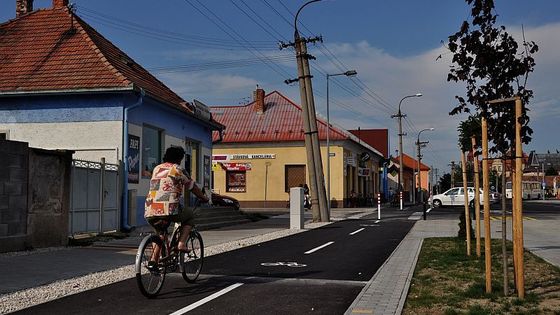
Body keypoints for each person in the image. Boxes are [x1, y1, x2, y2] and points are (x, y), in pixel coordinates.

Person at [144, 146, 209, 267]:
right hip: (169, 209)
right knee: (190, 216)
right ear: (179, 159)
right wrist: (204, 198)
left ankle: (154, 260)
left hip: (150, 209)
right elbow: (192, 187)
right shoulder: (178, 169)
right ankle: (181, 244)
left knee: (161, 233)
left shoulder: (157, 168)